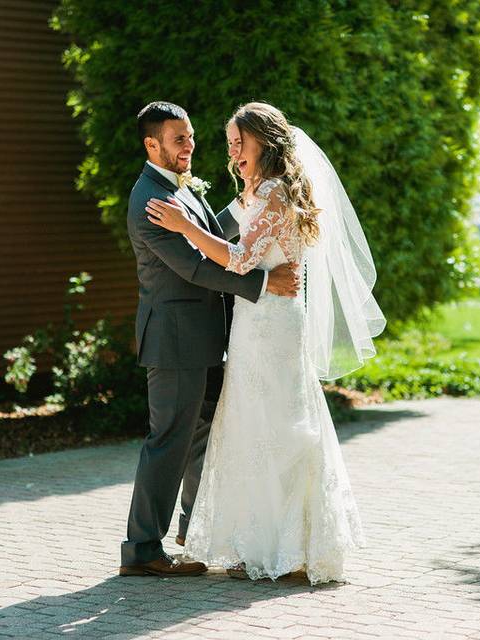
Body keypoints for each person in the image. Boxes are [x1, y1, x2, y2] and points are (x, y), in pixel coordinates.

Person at [145, 101, 385, 584]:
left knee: (279, 427)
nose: (233, 153)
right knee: (250, 427)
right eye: (230, 144)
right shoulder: (255, 190)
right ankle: (255, 542)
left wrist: (183, 227)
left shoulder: (275, 193)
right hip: (253, 322)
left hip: (275, 324)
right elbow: (222, 229)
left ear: (265, 142)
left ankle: (294, 551)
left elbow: (236, 258)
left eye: (240, 143)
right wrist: (189, 226)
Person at [119, 102, 301, 578]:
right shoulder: (149, 201)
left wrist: (256, 201)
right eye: (179, 140)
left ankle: (192, 530)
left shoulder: (179, 189)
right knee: (169, 441)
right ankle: (141, 548)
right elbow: (194, 266)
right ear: (151, 145)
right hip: (174, 339)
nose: (190, 147)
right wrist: (261, 286)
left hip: (203, 338)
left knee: (200, 438)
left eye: (191, 137)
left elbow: (214, 231)